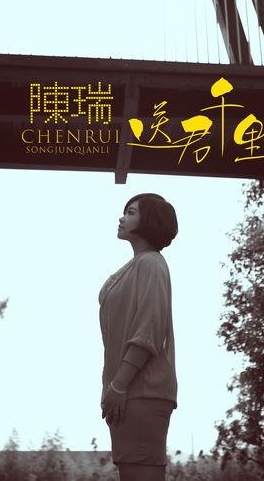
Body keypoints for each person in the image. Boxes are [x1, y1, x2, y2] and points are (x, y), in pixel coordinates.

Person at [98, 193, 178, 481]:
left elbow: (148, 330)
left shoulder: (151, 264)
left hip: (140, 389)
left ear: (149, 221)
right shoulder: (137, 265)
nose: (122, 217)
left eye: (131, 212)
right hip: (127, 391)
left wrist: (119, 385)